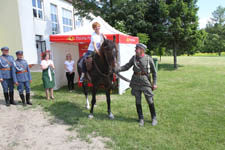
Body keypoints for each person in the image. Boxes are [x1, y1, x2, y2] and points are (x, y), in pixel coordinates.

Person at [115, 43, 158, 126]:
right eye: (135, 48)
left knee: (149, 100)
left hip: (145, 82)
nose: (135, 50)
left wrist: (154, 83)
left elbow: (154, 72)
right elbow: (127, 66)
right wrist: (118, 69)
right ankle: (141, 118)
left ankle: (154, 118)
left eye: (137, 48)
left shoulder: (148, 59)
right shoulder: (134, 58)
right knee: (138, 101)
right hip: (135, 81)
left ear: (142, 50)